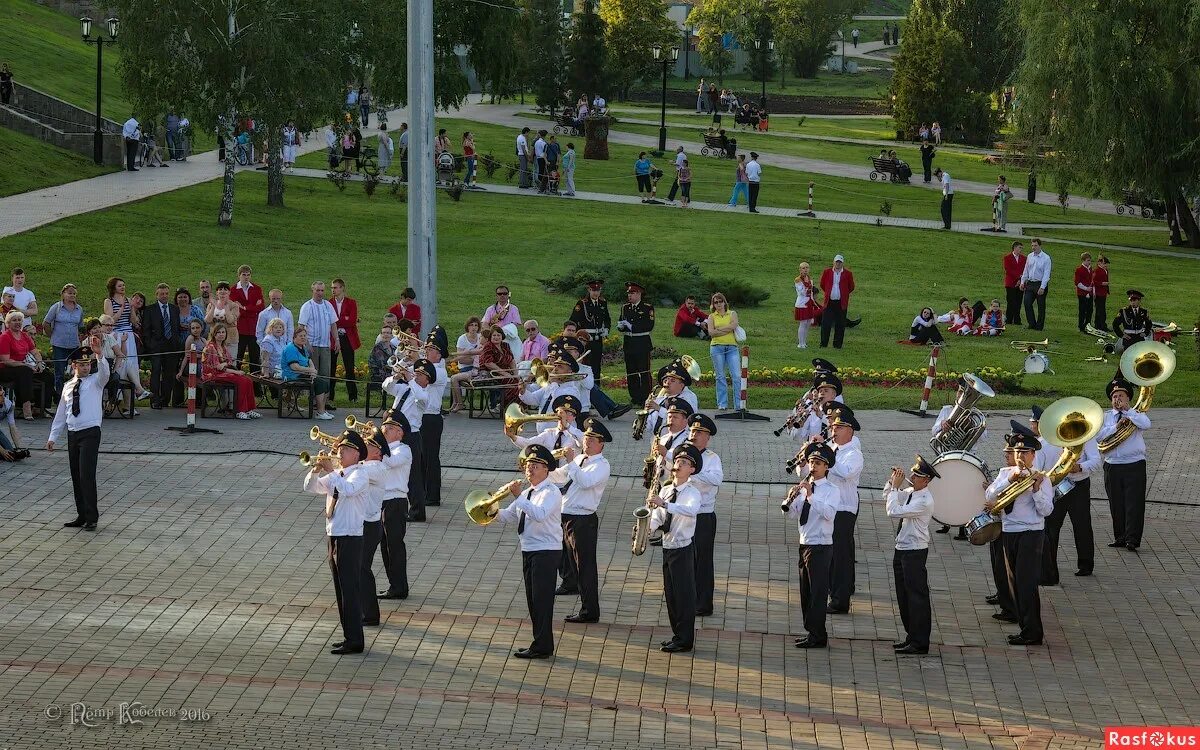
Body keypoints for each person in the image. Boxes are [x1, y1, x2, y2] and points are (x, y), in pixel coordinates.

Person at [489, 444, 564, 659]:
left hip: (546, 552)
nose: (529, 469)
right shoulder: (529, 492)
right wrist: (490, 510)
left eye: (535, 466)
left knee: (542, 600)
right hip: (529, 549)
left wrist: (518, 496)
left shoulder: (551, 492)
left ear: (546, 469)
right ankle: (540, 643)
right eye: (528, 465)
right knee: (533, 599)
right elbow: (510, 516)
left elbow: (539, 515)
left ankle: (543, 646)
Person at [984, 424, 1053, 646]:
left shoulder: (1042, 478)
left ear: (1033, 455)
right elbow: (990, 496)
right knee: (1013, 581)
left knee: (1027, 583)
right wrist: (1009, 479)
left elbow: (1046, 511)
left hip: (1031, 533)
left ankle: (1033, 632)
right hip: (1009, 531)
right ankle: (1024, 627)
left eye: (1025, 452)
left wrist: (1035, 490)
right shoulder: (1005, 473)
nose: (1020, 456)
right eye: (1017, 452)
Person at [303, 429, 369, 655]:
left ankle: (355, 640)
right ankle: (348, 636)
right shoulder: (337, 474)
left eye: (345, 450)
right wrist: (315, 470)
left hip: (350, 537)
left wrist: (333, 472)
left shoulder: (359, 474)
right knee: (340, 589)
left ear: (357, 454)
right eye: (339, 449)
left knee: (349, 589)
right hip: (334, 535)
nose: (339, 453)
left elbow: (347, 490)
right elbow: (310, 488)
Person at [1029, 405, 1099, 582]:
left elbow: (1097, 461)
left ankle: (1086, 564)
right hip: (1056, 487)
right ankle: (1049, 570)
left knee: (1082, 525)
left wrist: (1080, 467)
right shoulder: (1045, 443)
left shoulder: (1085, 437)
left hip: (1079, 485)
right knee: (1051, 528)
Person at [46, 338, 108, 530]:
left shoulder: (96, 382)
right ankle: (81, 514)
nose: (86, 368)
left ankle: (92, 517)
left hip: (90, 432)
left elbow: (105, 374)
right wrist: (53, 436)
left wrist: (99, 355)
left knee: (86, 474)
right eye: (81, 365)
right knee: (76, 475)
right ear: (74, 366)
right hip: (73, 433)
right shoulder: (68, 386)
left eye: (88, 364)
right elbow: (61, 414)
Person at [649, 443, 705, 653]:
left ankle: (685, 639)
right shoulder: (665, 489)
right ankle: (677, 635)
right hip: (667, 546)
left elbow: (690, 510)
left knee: (684, 596)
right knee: (671, 595)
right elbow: (658, 515)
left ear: (692, 469)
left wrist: (664, 504)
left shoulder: (692, 492)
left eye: (684, 462)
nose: (679, 464)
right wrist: (649, 528)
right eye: (678, 461)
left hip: (683, 548)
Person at [783, 441, 839, 649]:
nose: (812, 466)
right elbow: (794, 515)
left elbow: (829, 513)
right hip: (805, 543)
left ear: (826, 467)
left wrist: (811, 496)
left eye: (817, 463)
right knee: (806, 591)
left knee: (817, 592)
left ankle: (818, 634)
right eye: (811, 462)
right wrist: (790, 501)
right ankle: (811, 631)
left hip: (821, 545)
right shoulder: (806, 488)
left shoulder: (831, 490)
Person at [884, 455, 938, 654]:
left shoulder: (924, 500)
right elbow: (887, 496)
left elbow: (893, 511)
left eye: (917, 476)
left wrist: (895, 488)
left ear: (926, 480)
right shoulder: (910, 492)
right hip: (902, 548)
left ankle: (920, 641)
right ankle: (911, 636)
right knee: (904, 595)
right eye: (913, 474)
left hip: (915, 551)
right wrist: (892, 482)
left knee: (916, 597)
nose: (912, 478)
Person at [817, 405, 864, 614]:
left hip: (844, 509)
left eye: (839, 427)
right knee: (831, 554)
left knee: (841, 556)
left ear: (850, 430)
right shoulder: (833, 448)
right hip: (830, 506)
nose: (833, 431)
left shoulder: (854, 454)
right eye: (833, 427)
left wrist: (825, 455)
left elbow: (844, 472)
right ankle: (832, 591)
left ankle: (840, 600)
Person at [1097, 375, 1150, 551]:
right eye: (1114, 396)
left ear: (1128, 398)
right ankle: (1120, 537)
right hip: (1112, 464)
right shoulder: (1106, 417)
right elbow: (1099, 436)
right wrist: (1116, 427)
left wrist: (1129, 412)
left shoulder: (1136, 414)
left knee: (1134, 504)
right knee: (1116, 503)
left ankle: (1132, 539)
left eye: (1121, 395)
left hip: (1134, 464)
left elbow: (1146, 424)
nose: (1117, 399)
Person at [685, 414, 723, 617]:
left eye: (699, 432)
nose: (694, 435)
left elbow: (716, 479)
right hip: (683, 515)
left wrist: (691, 472)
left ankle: (703, 603)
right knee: (685, 559)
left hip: (703, 515)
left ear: (707, 437)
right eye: (692, 431)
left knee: (702, 561)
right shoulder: (682, 454)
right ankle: (687, 597)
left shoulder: (711, 458)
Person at [382, 358, 429, 521]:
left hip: (411, 436)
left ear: (427, 379)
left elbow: (419, 397)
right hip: (394, 433)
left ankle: (417, 512)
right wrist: (396, 375)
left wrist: (410, 379)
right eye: (416, 372)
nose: (416, 375)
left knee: (414, 475)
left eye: (420, 374)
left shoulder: (424, 394)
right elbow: (387, 387)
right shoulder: (404, 388)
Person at [377, 410, 413, 600]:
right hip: (382, 501)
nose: (384, 431)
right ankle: (394, 584)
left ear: (400, 433)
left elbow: (391, 462)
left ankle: (400, 587)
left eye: (389, 428)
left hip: (396, 502)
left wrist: (376, 446)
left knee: (395, 546)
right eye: (384, 427)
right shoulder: (380, 450)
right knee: (385, 546)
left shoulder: (404, 450)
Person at [104, 277, 152, 402]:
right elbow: (110, 320)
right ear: (113, 287)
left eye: (124, 285)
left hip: (128, 335)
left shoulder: (128, 300)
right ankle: (117, 399)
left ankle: (130, 402)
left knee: (131, 365)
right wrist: (121, 308)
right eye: (120, 286)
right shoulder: (108, 301)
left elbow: (134, 321)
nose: (123, 288)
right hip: (116, 334)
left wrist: (131, 307)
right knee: (120, 366)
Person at [201, 323, 260, 420]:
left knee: (248, 380)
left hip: (222, 373)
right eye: (218, 332)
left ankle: (249, 409)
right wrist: (235, 371)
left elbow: (228, 361)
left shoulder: (223, 346)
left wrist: (225, 364)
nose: (221, 334)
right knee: (242, 380)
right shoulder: (211, 347)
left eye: (223, 332)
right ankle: (240, 410)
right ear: (214, 334)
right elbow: (218, 367)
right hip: (212, 375)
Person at [0, 311, 52, 419]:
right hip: (6, 368)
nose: (17, 322)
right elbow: (6, 360)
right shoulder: (5, 337)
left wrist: (39, 363)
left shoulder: (24, 336)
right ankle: (26, 406)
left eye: (19, 320)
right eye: (14, 320)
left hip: (23, 367)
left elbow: (35, 352)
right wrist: (27, 365)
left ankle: (40, 407)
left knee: (47, 375)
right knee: (25, 371)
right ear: (8, 323)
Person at [299, 281, 339, 420]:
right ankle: (314, 404)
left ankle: (323, 404)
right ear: (313, 290)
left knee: (325, 374)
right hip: (313, 345)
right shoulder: (307, 306)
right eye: (318, 290)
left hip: (325, 345)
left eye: (322, 290)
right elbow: (301, 326)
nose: (320, 293)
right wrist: (307, 343)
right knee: (314, 375)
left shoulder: (328, 305)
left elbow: (333, 324)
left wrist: (337, 340)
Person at [43, 283, 85, 396]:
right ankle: (59, 398)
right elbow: (46, 323)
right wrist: (51, 335)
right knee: (59, 373)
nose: (72, 295)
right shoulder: (56, 307)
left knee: (76, 372)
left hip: (74, 345)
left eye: (74, 294)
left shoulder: (79, 309)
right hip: (59, 345)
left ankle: (74, 395)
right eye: (69, 293)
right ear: (63, 294)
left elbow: (81, 326)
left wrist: (80, 339)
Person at [144, 283, 180, 409]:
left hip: (171, 346)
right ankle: (155, 400)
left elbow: (176, 328)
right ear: (157, 295)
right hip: (157, 346)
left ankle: (165, 399)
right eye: (162, 294)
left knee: (169, 374)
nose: (164, 296)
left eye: (166, 294)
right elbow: (146, 330)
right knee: (156, 372)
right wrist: (150, 345)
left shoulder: (174, 308)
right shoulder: (150, 309)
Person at [618, 282, 655, 407]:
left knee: (644, 371)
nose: (630, 296)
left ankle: (646, 396)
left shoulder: (647, 308)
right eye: (629, 293)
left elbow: (649, 325)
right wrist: (621, 327)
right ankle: (635, 396)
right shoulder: (625, 307)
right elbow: (621, 320)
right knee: (631, 372)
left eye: (632, 293)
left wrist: (632, 327)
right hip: (629, 342)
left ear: (639, 294)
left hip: (641, 342)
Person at [706, 293, 741, 411]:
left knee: (736, 376)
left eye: (720, 301)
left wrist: (719, 330)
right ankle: (722, 403)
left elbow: (734, 325)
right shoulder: (711, 316)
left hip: (732, 347)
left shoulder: (732, 313)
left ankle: (738, 404)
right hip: (717, 347)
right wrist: (727, 328)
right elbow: (711, 332)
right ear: (713, 304)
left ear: (724, 302)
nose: (718, 304)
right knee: (720, 376)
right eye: (715, 302)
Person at [328, 278, 361, 406]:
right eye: (332, 288)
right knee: (331, 367)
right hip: (333, 337)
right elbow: (331, 321)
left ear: (342, 288)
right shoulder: (329, 303)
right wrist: (343, 319)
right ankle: (330, 395)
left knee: (349, 367)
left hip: (347, 338)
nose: (333, 290)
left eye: (335, 287)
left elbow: (351, 320)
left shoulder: (351, 303)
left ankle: (353, 396)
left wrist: (337, 320)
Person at [568, 279, 610, 376]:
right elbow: (573, 320)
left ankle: (596, 386)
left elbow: (607, 319)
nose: (596, 293)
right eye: (593, 290)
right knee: (586, 363)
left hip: (598, 338)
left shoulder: (602, 302)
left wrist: (607, 329)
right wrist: (579, 335)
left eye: (598, 290)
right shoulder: (582, 303)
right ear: (589, 290)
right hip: (585, 339)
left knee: (597, 364)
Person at [478, 326, 519, 409]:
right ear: (490, 337)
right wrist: (504, 373)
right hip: (491, 373)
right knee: (510, 381)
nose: (496, 337)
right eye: (494, 335)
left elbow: (511, 361)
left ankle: (517, 406)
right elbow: (488, 363)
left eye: (498, 335)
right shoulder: (488, 346)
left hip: (506, 372)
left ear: (502, 336)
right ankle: (504, 405)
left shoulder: (505, 345)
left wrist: (515, 374)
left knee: (518, 382)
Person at [819, 255, 855, 349]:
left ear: (842, 263)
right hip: (829, 302)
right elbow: (822, 284)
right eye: (836, 262)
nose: (838, 264)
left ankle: (837, 345)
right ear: (833, 262)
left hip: (841, 303)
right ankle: (823, 343)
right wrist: (828, 292)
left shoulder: (848, 274)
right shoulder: (827, 272)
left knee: (840, 324)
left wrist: (843, 294)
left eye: (840, 262)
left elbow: (851, 287)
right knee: (826, 323)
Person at [450, 317, 484, 412]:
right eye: (471, 325)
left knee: (454, 378)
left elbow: (481, 357)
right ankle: (456, 403)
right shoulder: (462, 338)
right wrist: (473, 357)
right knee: (454, 377)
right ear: (467, 327)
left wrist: (470, 356)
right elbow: (461, 361)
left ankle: (459, 403)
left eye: (476, 325)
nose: (474, 327)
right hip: (465, 368)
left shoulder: (481, 338)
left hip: (476, 370)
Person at [1019, 238, 1052, 331]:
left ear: (1040, 246)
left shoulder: (1046, 258)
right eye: (1032, 245)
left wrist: (1042, 287)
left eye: (1035, 245)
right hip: (1030, 283)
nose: (1033, 247)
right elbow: (1026, 270)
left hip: (1040, 283)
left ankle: (1039, 326)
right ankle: (1031, 323)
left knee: (1041, 306)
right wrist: (1022, 281)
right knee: (1027, 302)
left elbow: (1046, 274)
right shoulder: (1030, 256)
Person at [204, 281, 242, 360]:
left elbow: (230, 320)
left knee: (230, 361)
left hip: (230, 338)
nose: (222, 291)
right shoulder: (211, 305)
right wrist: (214, 307)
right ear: (217, 292)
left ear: (229, 292)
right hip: (215, 338)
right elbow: (207, 320)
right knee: (214, 361)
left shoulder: (234, 306)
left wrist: (226, 306)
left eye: (225, 289)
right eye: (220, 289)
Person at [0, 383, 30, 461]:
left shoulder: (8, 404)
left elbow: (12, 427)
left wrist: (18, 448)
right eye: (0, 396)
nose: (3, 397)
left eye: (3, 394)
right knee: (3, 453)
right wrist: (2, 451)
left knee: (10, 452)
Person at [794, 263, 821, 349]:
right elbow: (802, 292)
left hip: (809, 302)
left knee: (808, 323)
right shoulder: (798, 280)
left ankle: (804, 342)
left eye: (807, 268)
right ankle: (800, 343)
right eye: (803, 268)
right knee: (803, 323)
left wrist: (814, 303)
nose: (805, 270)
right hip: (802, 303)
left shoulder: (809, 279)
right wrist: (807, 285)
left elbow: (811, 293)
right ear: (800, 269)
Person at [1002, 241, 1026, 326]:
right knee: (1011, 301)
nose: (1021, 249)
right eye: (1020, 248)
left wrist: (1020, 280)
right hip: (1010, 283)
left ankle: (1017, 320)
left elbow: (1025, 270)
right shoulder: (1007, 257)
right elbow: (1008, 270)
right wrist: (1017, 278)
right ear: (1015, 248)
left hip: (1020, 283)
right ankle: (1009, 319)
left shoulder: (1024, 258)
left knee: (1018, 301)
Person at [1072, 252, 1095, 333]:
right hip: (1082, 293)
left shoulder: (1091, 269)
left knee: (1090, 310)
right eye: (1088, 260)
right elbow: (1077, 283)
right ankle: (1081, 326)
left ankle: (1087, 325)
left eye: (1090, 261)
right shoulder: (1079, 270)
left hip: (1090, 293)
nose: (1089, 262)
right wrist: (1086, 288)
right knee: (1082, 310)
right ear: (1083, 261)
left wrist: (1092, 291)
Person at [1092, 256, 1111, 330]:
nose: (1105, 265)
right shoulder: (1097, 271)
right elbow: (1093, 281)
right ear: (1099, 263)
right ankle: (1102, 326)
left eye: (1106, 264)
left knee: (1100, 309)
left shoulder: (1105, 270)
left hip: (1103, 293)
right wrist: (1102, 283)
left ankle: (1098, 325)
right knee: (1101, 310)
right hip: (1098, 293)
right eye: (1104, 263)